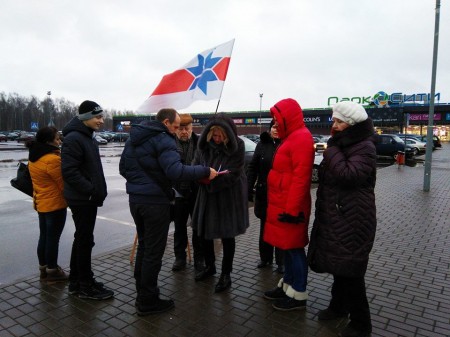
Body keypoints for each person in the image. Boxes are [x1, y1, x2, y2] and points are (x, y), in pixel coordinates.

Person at [119, 108, 218, 315]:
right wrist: (204, 171)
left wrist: (142, 182)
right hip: (155, 203)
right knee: (153, 253)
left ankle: (142, 295)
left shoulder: (134, 138)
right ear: (165, 122)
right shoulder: (164, 139)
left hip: (136, 201)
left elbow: (122, 169)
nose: (176, 131)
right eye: (175, 126)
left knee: (145, 249)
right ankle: (148, 301)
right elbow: (176, 171)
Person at [307, 101, 377, 337]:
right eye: (334, 120)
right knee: (340, 266)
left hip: (354, 218)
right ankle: (338, 307)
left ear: (352, 123)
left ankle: (361, 323)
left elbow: (350, 175)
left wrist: (332, 151)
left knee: (352, 272)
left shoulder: (364, 146)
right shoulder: (344, 143)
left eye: (339, 121)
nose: (334, 125)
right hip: (339, 214)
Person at [262, 98, 314, 311]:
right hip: (282, 203)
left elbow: (301, 178)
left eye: (277, 117)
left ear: (287, 117)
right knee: (287, 248)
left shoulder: (300, 138)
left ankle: (298, 294)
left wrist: (292, 210)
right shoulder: (292, 137)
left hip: (290, 207)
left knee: (294, 250)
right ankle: (287, 287)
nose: (275, 121)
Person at [61, 100, 113, 300]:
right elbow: (69, 171)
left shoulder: (87, 136)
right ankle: (84, 285)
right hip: (82, 199)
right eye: (97, 117)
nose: (101, 120)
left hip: (86, 198)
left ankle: (78, 281)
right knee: (84, 241)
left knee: (82, 239)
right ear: (85, 118)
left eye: (102, 116)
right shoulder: (75, 138)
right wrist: (90, 191)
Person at [191, 113, 249, 293]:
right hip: (207, 195)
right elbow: (195, 166)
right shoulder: (203, 146)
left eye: (220, 136)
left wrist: (212, 181)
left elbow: (234, 174)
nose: (216, 139)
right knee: (205, 233)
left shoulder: (237, 146)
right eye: (213, 135)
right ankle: (210, 266)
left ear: (227, 135)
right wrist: (203, 176)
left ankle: (226, 274)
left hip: (228, 196)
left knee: (227, 235)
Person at [26, 126, 68, 283]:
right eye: (57, 138)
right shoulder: (52, 159)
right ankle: (52, 271)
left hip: (41, 203)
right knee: (52, 239)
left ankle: (43, 269)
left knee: (44, 236)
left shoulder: (34, 156)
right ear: (48, 141)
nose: (59, 141)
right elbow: (63, 184)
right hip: (55, 205)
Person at [247, 121, 284, 273]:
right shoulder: (262, 145)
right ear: (269, 129)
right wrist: (248, 188)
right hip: (264, 193)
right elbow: (253, 167)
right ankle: (265, 258)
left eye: (279, 127)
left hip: (281, 194)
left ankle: (281, 262)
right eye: (274, 127)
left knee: (280, 228)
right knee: (265, 227)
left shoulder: (286, 144)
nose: (276, 130)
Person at [171, 113, 204, 274]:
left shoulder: (200, 143)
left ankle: (199, 259)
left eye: (187, 128)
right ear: (176, 129)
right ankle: (180, 257)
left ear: (192, 128)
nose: (184, 132)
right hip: (177, 192)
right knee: (179, 227)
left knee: (197, 228)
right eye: (181, 129)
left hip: (196, 191)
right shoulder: (169, 144)